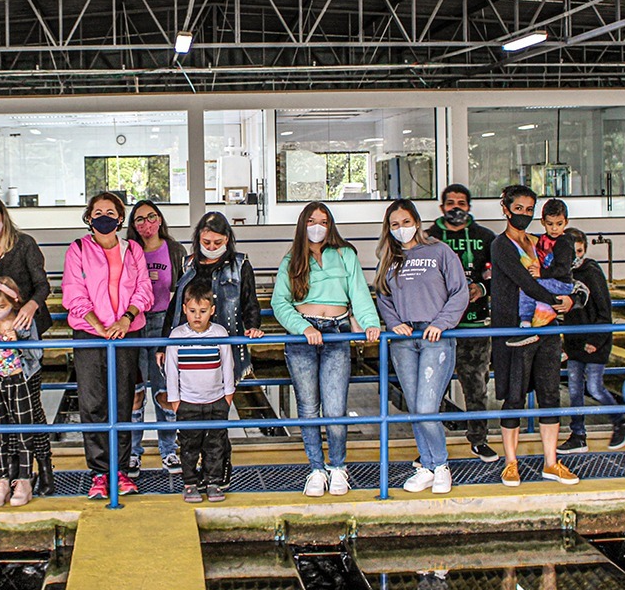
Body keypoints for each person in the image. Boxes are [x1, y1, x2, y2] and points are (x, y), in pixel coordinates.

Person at [271, 201, 381, 498]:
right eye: (311, 221)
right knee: (308, 407)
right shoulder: (291, 260)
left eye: (323, 221)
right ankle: (316, 469)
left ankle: (338, 467)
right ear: (302, 225)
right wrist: (303, 328)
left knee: (334, 406)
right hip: (303, 335)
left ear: (330, 225)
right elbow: (279, 303)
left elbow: (359, 292)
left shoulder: (345, 254)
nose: (317, 227)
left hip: (336, 333)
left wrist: (370, 323)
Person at [61, 191, 155, 500]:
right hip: (91, 336)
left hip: (125, 333)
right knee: (93, 403)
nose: (104, 216)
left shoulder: (133, 251)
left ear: (119, 217)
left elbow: (144, 289)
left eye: (110, 211)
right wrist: (98, 325)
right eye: (97, 211)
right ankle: (99, 473)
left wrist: (126, 320)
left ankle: (121, 470)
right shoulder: (77, 250)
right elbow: (73, 293)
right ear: (89, 217)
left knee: (123, 401)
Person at [375, 200, 469, 495]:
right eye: (394, 225)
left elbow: (459, 292)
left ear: (416, 221)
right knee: (415, 408)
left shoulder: (440, 252)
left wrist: (441, 323)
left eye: (405, 222)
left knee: (428, 406)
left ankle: (441, 465)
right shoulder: (390, 258)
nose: (401, 229)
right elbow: (383, 297)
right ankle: (427, 466)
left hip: (434, 337)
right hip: (404, 340)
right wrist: (393, 323)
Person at [489, 185, 578, 488]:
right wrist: (558, 301)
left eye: (529, 210)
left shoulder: (541, 243)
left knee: (549, 395)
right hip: (515, 328)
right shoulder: (501, 246)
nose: (523, 214)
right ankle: (510, 462)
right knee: (513, 397)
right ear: (505, 208)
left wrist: (571, 300)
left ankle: (551, 462)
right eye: (519, 209)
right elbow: (525, 282)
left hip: (548, 329)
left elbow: (564, 277)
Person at [171, 211, 264, 490]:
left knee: (218, 416)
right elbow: (177, 306)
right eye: (206, 241)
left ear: (228, 240)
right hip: (191, 344)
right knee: (191, 421)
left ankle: (220, 470)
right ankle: (193, 474)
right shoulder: (188, 263)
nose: (211, 247)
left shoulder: (240, 264)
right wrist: (166, 343)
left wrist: (253, 326)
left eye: (217, 242)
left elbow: (249, 300)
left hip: (226, 344)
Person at [0, 194, 55, 495]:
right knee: (4, 414)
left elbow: (43, 284)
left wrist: (30, 307)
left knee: (32, 409)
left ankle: (44, 468)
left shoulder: (24, 244)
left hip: (25, 333)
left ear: (3, 216)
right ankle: (13, 473)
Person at [427, 184, 499, 462]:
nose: (456, 207)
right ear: (441, 206)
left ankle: (479, 440)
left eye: (461, 202)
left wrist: (481, 288)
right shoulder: (428, 238)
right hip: (438, 327)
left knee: (476, 386)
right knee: (431, 389)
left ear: (469, 206)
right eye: (450, 202)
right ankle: (431, 449)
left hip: (475, 325)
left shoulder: (486, 239)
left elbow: (500, 277)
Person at [126, 199, 187, 478]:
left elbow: (183, 292)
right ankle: (133, 453)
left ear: (160, 219)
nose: (146, 224)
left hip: (164, 324)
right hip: (135, 325)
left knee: (164, 391)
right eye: (139, 219)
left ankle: (169, 451)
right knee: (135, 393)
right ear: (133, 225)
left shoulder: (174, 250)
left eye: (151, 217)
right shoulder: (128, 250)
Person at [0, 276, 48, 507]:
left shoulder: (25, 322)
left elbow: (37, 354)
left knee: (24, 431)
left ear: (14, 303)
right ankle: (2, 480)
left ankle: (24, 480)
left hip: (20, 381)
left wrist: (18, 342)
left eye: (2, 307)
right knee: (0, 432)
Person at [558, 228, 625, 454]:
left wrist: (597, 338)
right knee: (574, 390)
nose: (575, 256)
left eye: (579, 251)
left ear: (585, 250)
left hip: (594, 340)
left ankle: (620, 420)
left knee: (595, 387)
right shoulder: (563, 274)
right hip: (574, 342)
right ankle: (578, 433)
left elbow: (604, 307)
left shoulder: (591, 272)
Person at [165, 283, 236, 504]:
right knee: (189, 445)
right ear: (185, 309)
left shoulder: (219, 333)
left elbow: (227, 365)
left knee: (215, 445)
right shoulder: (177, 336)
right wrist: (175, 400)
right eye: (193, 311)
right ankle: (190, 484)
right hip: (188, 402)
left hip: (216, 400)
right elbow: (171, 370)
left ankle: (213, 482)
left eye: (203, 312)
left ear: (212, 311)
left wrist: (228, 395)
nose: (197, 317)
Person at [508, 198, 575, 347]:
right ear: (543, 222)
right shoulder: (541, 239)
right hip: (552, 281)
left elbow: (563, 269)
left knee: (529, 288)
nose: (555, 229)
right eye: (550, 224)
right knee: (537, 299)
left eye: (559, 224)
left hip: (561, 283)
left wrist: (541, 273)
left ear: (566, 222)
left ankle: (526, 323)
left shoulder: (564, 243)